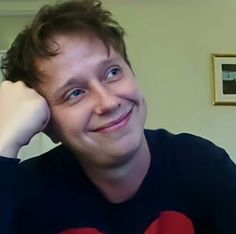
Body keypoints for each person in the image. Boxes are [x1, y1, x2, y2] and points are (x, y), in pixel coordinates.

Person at [0, 0, 235, 233]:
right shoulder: (25, 193)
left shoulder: (202, 165)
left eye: (112, 72)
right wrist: (4, 141)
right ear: (47, 124)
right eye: (75, 93)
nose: (109, 102)